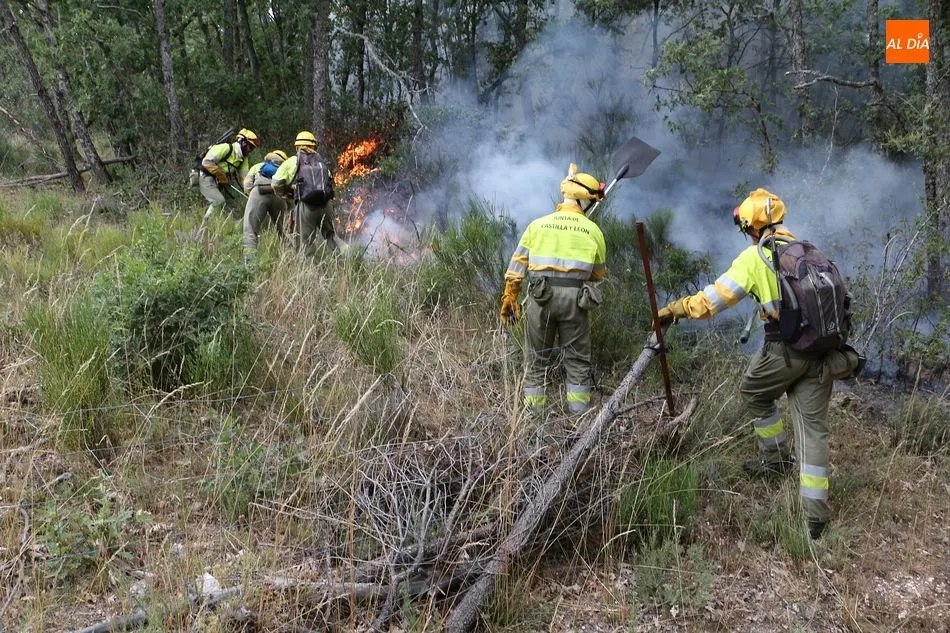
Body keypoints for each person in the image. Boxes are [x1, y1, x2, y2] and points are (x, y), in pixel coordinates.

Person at [655, 188, 832, 540]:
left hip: (785, 351)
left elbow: (710, 302)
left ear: (753, 226)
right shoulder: (809, 251)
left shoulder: (756, 257)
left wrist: (675, 309)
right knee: (813, 432)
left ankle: (776, 460)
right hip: (823, 353)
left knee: (753, 390)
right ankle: (815, 520)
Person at [500, 163, 607, 416]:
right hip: (575, 303)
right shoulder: (593, 231)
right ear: (585, 202)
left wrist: (510, 295)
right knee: (577, 363)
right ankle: (578, 420)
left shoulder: (537, 225)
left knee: (536, 362)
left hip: (540, 298)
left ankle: (534, 423)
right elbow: (598, 273)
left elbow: (517, 266)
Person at [271, 131, 337, 254]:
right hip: (326, 205)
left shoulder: (293, 161)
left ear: (297, 146)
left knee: (304, 243)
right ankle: (344, 264)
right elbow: (329, 183)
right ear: (314, 146)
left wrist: (287, 193)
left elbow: (275, 183)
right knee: (332, 238)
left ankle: (306, 271)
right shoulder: (321, 162)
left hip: (306, 206)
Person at [199, 128, 260, 221]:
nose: (251, 150)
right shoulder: (225, 148)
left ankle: (229, 226)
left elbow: (245, 178)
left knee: (232, 205)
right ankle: (206, 221)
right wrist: (221, 175)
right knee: (218, 201)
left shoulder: (243, 159)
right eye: (250, 147)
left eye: (252, 148)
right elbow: (206, 162)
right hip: (206, 176)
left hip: (221, 181)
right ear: (243, 143)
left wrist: (251, 192)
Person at [242, 149, 289, 253]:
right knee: (285, 231)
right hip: (279, 196)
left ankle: (249, 261)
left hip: (259, 191)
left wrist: (252, 197)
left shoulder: (258, 166)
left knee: (250, 229)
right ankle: (292, 257)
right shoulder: (285, 169)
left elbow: (247, 185)